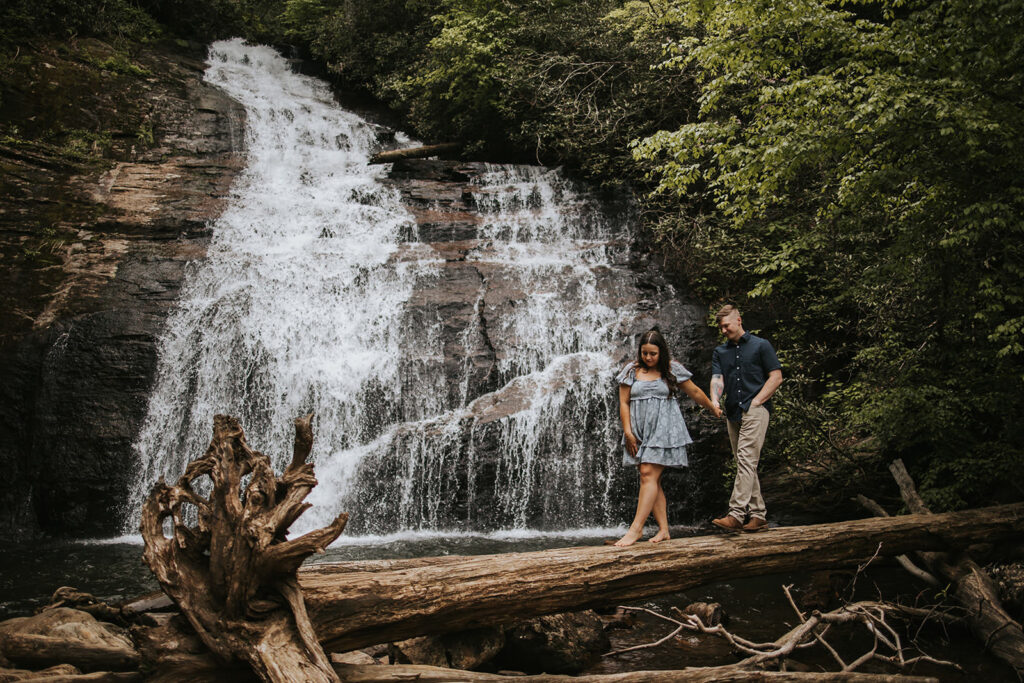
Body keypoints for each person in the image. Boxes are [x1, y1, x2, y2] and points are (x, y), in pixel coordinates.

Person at [613, 328, 722, 547]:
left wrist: (712, 407)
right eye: (644, 353)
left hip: (664, 428)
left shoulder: (672, 369)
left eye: (653, 353)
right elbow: (624, 402)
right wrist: (628, 432)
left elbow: (695, 392)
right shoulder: (630, 371)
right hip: (639, 431)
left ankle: (636, 529)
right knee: (651, 480)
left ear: (661, 352)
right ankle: (664, 530)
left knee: (647, 474)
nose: (648, 358)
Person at [709, 305, 783, 533]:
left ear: (739, 320)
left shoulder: (761, 345)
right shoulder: (720, 352)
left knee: (745, 459)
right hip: (732, 412)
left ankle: (736, 514)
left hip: (755, 409)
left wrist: (758, 401)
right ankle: (759, 515)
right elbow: (717, 379)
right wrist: (714, 400)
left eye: (726, 325)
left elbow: (776, 376)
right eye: (720, 327)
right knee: (745, 463)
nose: (723, 330)